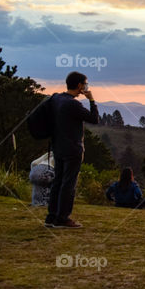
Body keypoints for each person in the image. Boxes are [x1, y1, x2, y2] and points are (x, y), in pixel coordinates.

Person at [45, 71, 99, 228]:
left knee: (58, 182)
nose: (86, 87)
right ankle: (63, 218)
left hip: (58, 147)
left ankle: (52, 216)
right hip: (72, 149)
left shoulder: (56, 99)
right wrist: (92, 100)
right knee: (69, 184)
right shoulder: (73, 104)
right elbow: (94, 119)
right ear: (80, 85)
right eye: (85, 84)